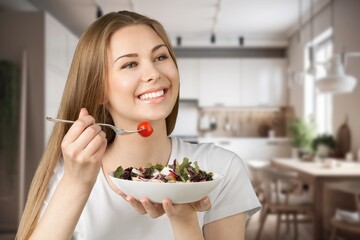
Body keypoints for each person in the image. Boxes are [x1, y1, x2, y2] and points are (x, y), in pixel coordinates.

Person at [16, 11, 261, 240]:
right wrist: (76, 183)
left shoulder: (221, 169)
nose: (153, 72)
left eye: (160, 57)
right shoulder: (72, 170)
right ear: (99, 89)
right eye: (130, 64)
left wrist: (185, 218)